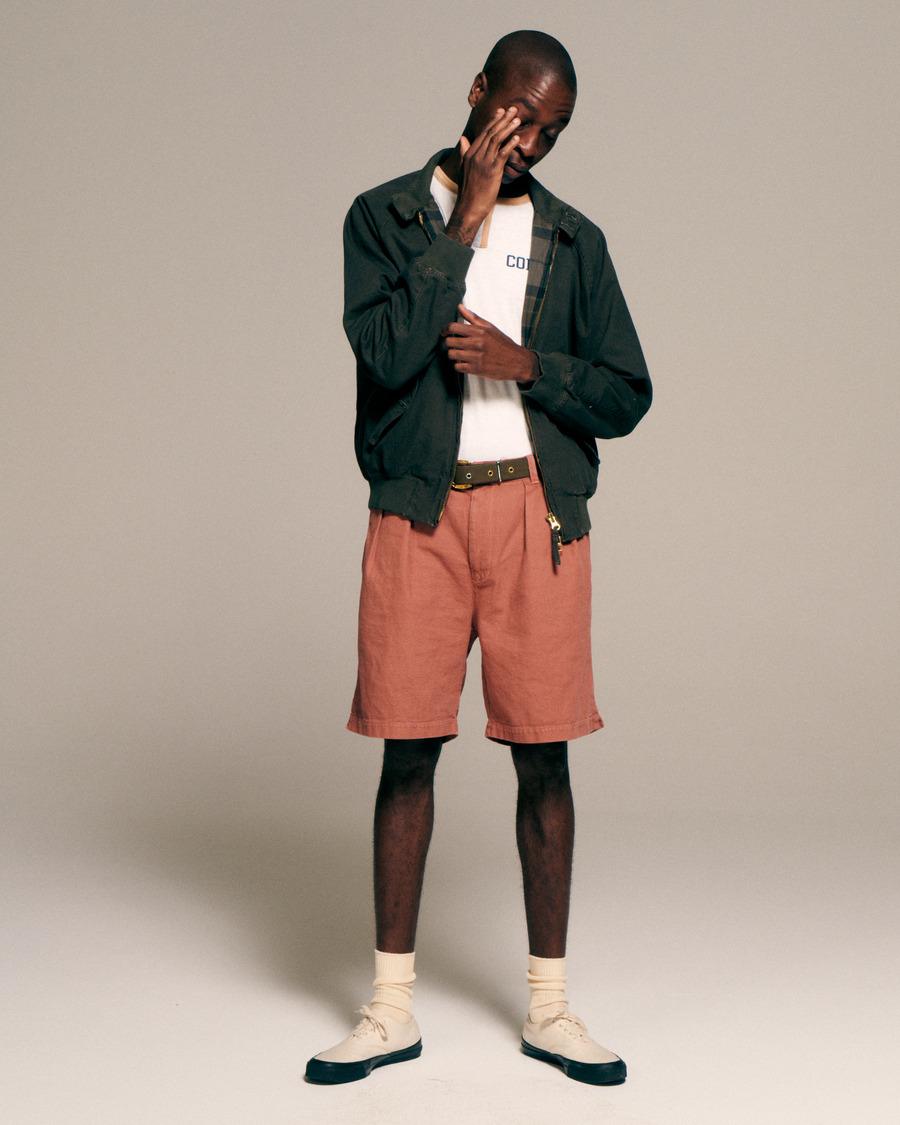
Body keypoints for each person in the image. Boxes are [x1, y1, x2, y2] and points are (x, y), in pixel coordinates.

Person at [305, 30, 651, 1087]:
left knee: (544, 758)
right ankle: (389, 1009)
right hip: (419, 513)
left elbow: (626, 392)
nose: (531, 141)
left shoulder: (574, 241)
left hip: (534, 516)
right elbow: (385, 354)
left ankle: (550, 1008)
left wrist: (527, 365)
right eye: (518, 113)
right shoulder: (384, 216)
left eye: (551, 129)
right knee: (407, 753)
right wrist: (465, 222)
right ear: (476, 91)